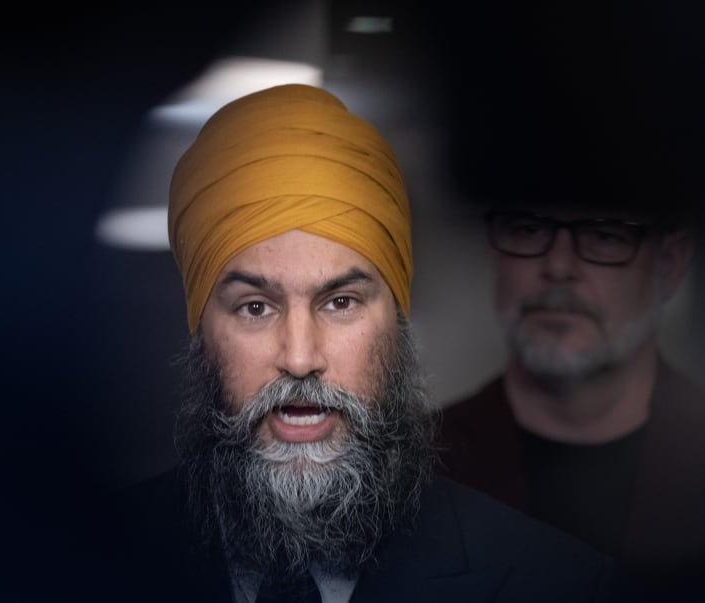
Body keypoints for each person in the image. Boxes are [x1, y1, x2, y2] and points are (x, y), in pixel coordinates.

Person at [99, 84, 622, 603]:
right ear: (201, 330)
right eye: (255, 307)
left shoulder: (553, 585)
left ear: (396, 321)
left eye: (340, 302)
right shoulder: (80, 564)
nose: (300, 358)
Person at [435, 201, 705, 601]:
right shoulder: (413, 470)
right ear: (493, 252)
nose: (558, 267)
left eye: (604, 235)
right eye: (528, 229)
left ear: (670, 263)